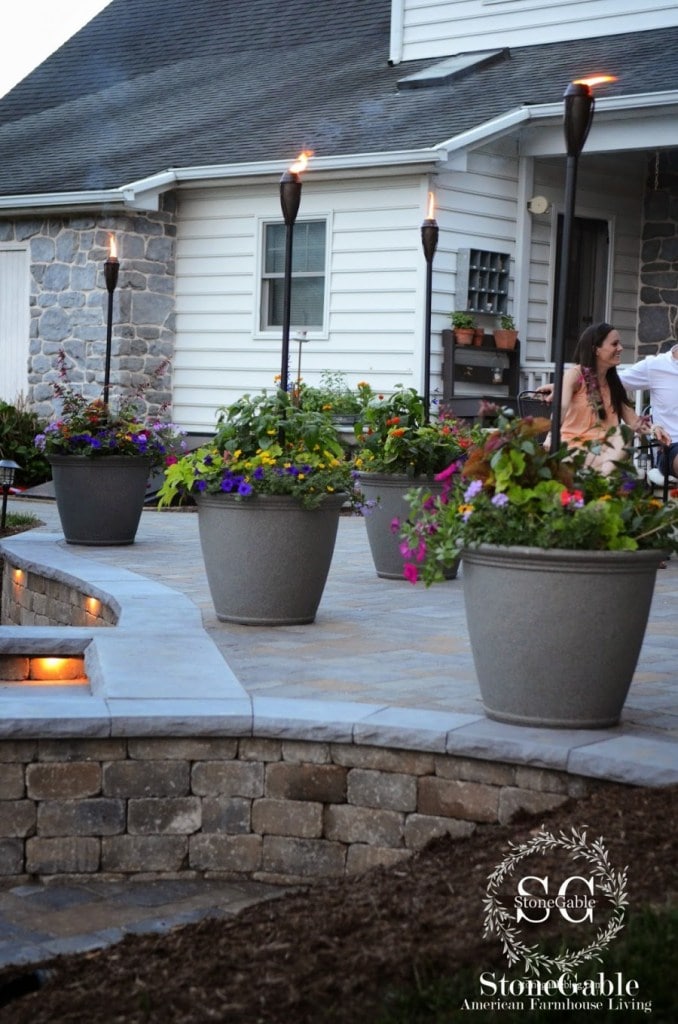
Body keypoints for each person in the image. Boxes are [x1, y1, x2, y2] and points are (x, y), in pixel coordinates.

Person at [539, 322, 670, 475]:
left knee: (624, 431)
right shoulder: (575, 375)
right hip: (574, 449)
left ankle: (601, 479)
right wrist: (550, 437)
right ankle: (602, 480)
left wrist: (654, 429)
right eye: (615, 344)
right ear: (596, 350)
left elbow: (634, 422)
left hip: (606, 452)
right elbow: (561, 407)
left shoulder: (613, 384)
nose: (620, 348)